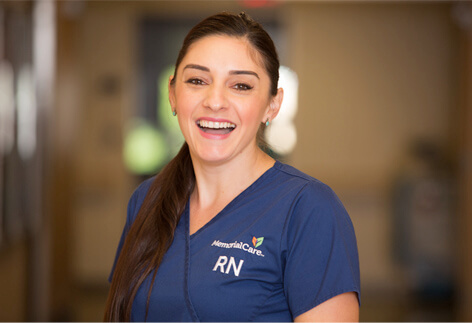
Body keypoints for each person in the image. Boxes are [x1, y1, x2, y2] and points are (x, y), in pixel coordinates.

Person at [104, 12, 360, 322]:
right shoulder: (147, 200)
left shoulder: (308, 209)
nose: (215, 101)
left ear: (272, 104)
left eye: (240, 86)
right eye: (197, 81)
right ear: (172, 94)